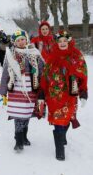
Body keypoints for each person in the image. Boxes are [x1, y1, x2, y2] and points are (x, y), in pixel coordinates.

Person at [38, 30, 88, 161]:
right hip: (54, 97)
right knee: (58, 121)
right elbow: (44, 77)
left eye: (65, 41)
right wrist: (42, 93)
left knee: (66, 120)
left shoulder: (77, 56)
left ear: (69, 41)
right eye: (59, 41)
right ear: (56, 43)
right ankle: (59, 149)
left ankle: (62, 135)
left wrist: (83, 92)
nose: (62, 43)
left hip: (71, 95)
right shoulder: (51, 57)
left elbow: (83, 75)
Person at [0, 30, 44, 151]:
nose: (20, 42)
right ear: (14, 42)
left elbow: (41, 71)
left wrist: (43, 88)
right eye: (18, 40)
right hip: (16, 89)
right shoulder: (10, 55)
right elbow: (5, 73)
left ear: (26, 40)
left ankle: (24, 136)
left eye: (22, 39)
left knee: (27, 113)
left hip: (31, 88)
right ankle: (18, 141)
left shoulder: (34, 53)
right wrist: (3, 90)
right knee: (18, 114)